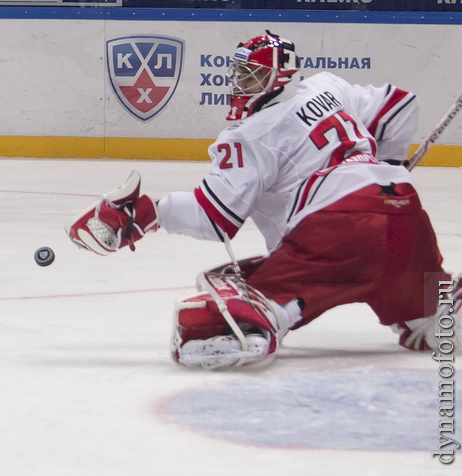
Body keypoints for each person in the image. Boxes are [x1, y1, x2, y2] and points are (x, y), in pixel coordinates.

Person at [66, 31, 453, 369]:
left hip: (336, 233)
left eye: (252, 76)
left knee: (232, 294)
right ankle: (436, 309)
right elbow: (401, 106)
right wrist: (386, 165)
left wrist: (144, 214)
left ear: (281, 77)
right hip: (407, 215)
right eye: (239, 75)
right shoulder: (329, 87)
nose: (241, 84)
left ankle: (258, 321)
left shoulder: (249, 134)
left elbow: (213, 219)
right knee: (433, 320)